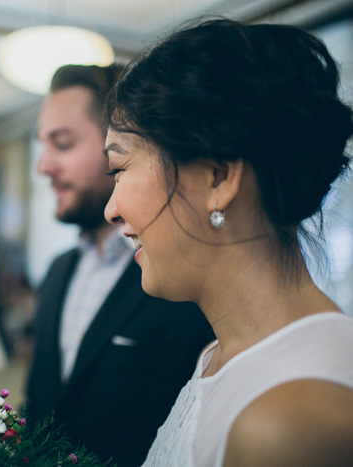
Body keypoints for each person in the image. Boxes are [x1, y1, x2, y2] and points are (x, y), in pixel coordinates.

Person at [103, 19, 353, 467]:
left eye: (119, 169)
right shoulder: (217, 356)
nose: (112, 209)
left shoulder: (291, 423)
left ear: (218, 177)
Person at [26, 64, 214, 465]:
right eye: (42, 145)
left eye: (62, 144)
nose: (43, 166)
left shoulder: (181, 273)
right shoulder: (57, 270)